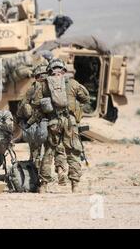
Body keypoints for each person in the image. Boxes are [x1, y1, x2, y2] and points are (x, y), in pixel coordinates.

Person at [38, 59, 90, 193]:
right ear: (64, 70)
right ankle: (75, 185)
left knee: (49, 152)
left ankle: (43, 185)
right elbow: (86, 98)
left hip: (53, 123)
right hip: (69, 123)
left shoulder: (44, 85)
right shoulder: (72, 83)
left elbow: (37, 104)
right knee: (73, 152)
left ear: (49, 71)